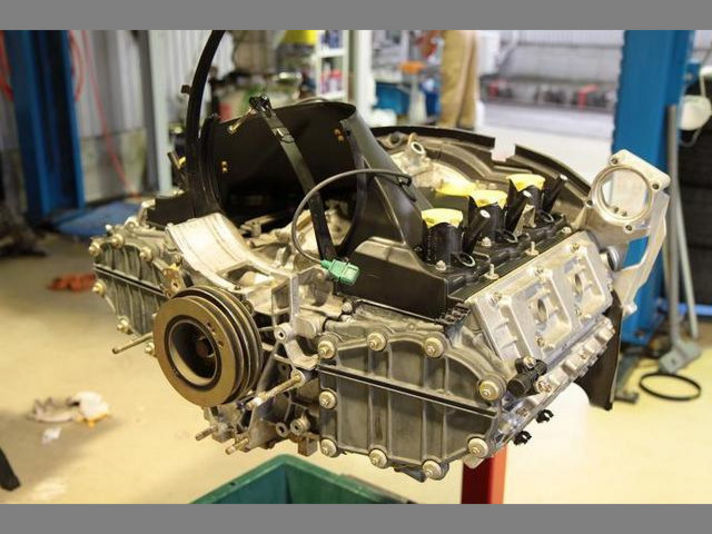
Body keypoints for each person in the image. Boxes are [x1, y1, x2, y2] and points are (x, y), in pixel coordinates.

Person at [420, 30, 479, 130]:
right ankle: (466, 122)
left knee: (452, 79)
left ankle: (446, 125)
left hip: (456, 33)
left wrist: (427, 41)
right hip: (472, 33)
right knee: (469, 82)